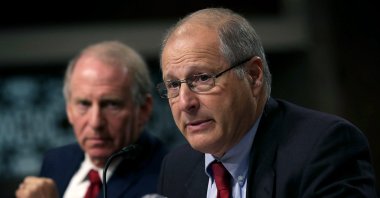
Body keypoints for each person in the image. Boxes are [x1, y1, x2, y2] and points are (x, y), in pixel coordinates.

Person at [156, 8, 377, 197]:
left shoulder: (323, 149)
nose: (185, 102)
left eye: (203, 78)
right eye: (173, 85)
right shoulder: (177, 168)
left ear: (253, 75)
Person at [15, 41, 168, 198]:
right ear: (69, 109)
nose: (96, 123)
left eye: (111, 104)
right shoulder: (55, 161)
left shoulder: (170, 173)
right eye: (84, 104)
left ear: (144, 109)